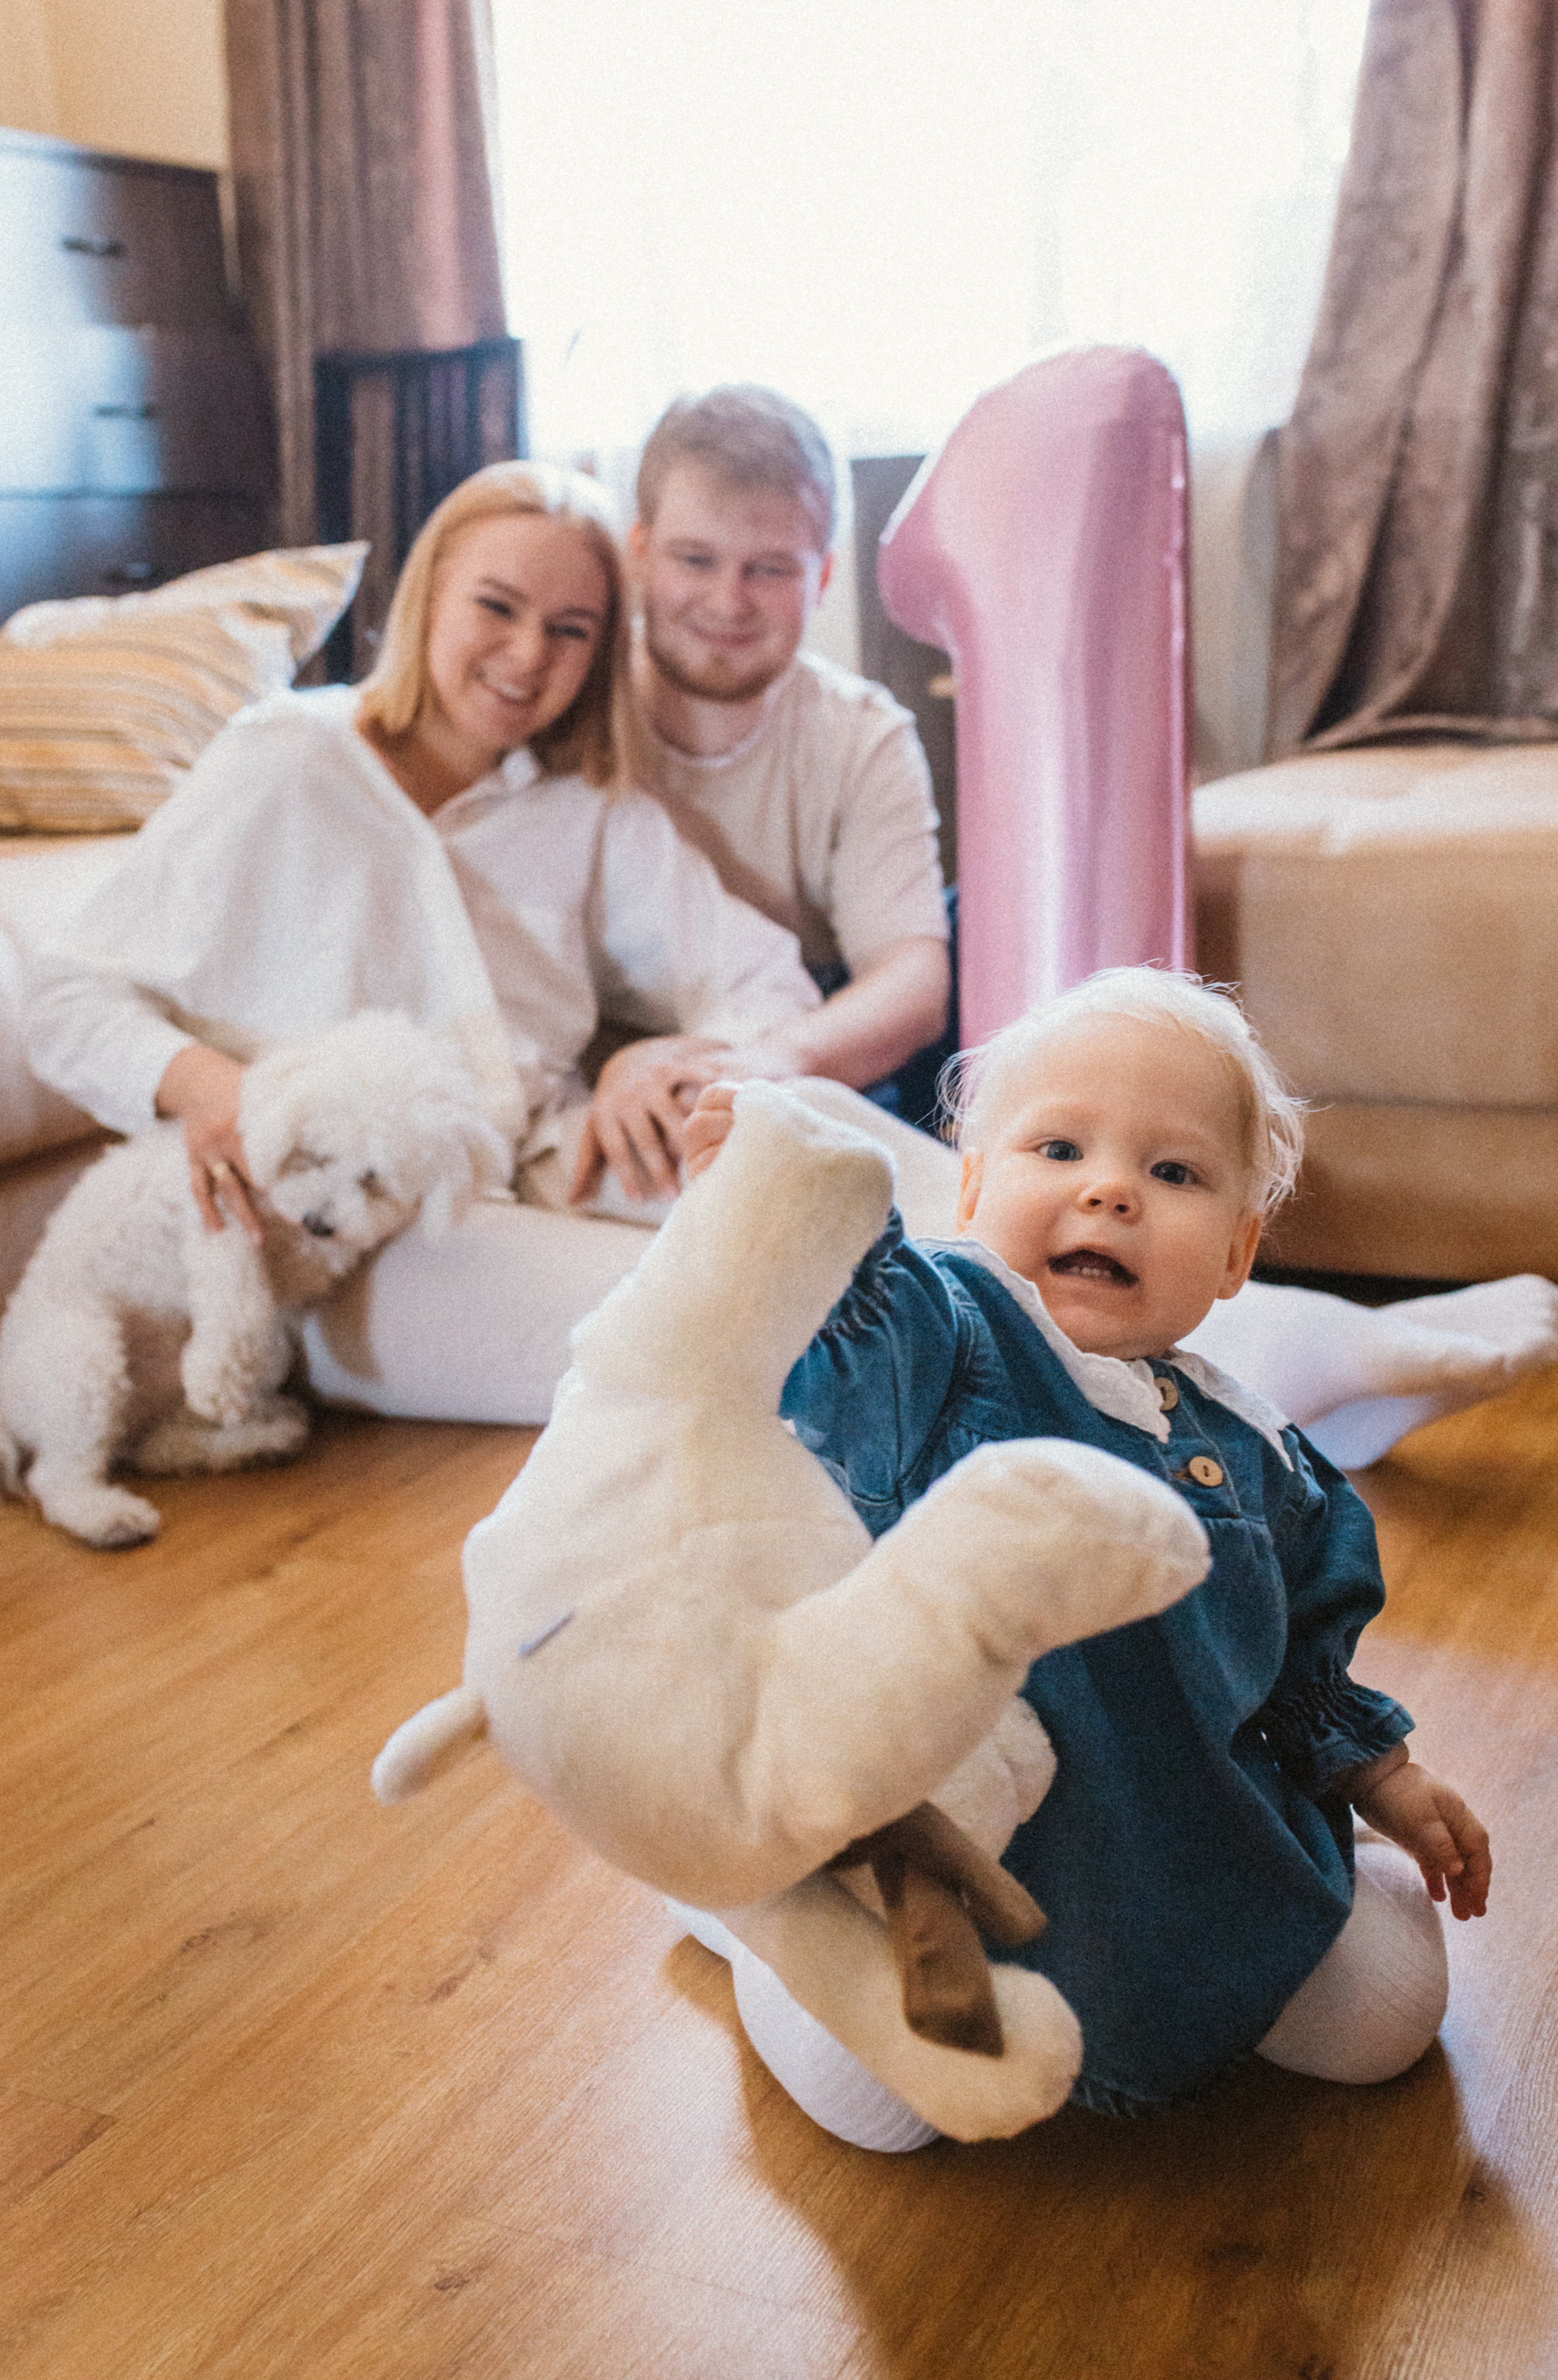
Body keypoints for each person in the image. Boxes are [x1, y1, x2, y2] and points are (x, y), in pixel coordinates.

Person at [620, 383, 1558, 1467]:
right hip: (639, 1077)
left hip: (815, 1037)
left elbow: (909, 981)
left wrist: (767, 1064)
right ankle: (1288, 1363)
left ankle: (1244, 1348)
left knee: (946, 1063)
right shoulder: (583, 727)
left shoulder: (856, 732)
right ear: (641, 553)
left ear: (822, 576)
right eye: (696, 561)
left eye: (769, 568)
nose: (729, 599)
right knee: (793, 1160)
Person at [676, 969, 1492, 2151]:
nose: (1108, 1190)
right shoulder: (946, 1335)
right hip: (927, 1869)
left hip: (1183, 1870)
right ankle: (744, 1899)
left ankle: (1304, 1891)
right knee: (878, 2113)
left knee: (1389, 2025)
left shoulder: (1260, 1456)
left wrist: (1381, 1776)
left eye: (1172, 1174)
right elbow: (851, 1339)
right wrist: (777, 1224)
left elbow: (1305, 1653)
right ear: (970, 1189)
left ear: (1232, 1254)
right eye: (1056, 1148)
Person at [21, 463, 831, 1421]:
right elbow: (67, 1002)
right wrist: (221, 1095)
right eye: (498, 606)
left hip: (553, 1149)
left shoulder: (584, 807)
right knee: (720, 1337)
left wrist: (664, 1060)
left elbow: (763, 984)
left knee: (844, 1199)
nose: (528, 656)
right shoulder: (285, 759)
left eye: (571, 630)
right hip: (359, 1234)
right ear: (430, 594)